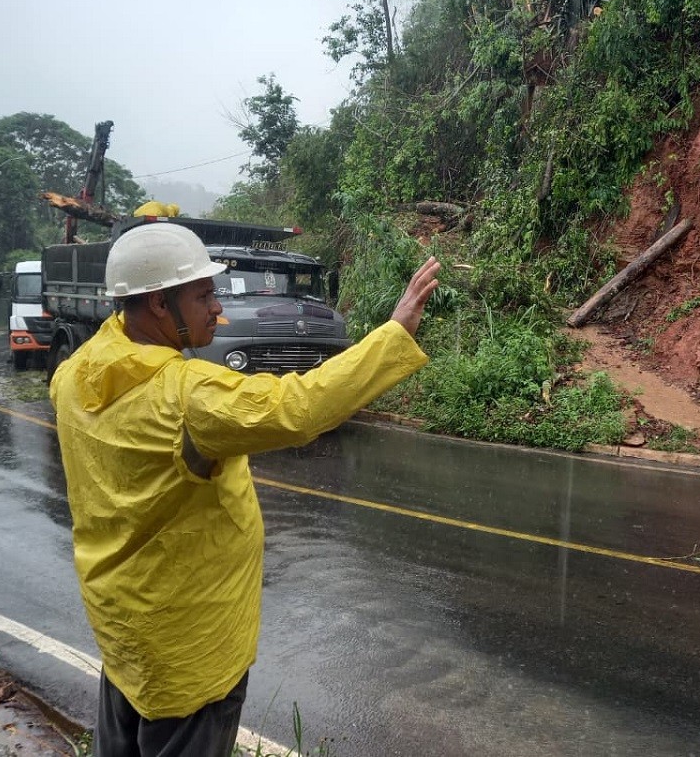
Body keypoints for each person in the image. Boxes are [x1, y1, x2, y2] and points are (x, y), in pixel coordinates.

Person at [50, 221, 440, 757]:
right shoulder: (186, 399)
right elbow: (295, 407)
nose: (220, 309)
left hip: (124, 631)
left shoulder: (72, 376)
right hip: (191, 651)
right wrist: (395, 335)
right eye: (205, 294)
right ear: (160, 305)